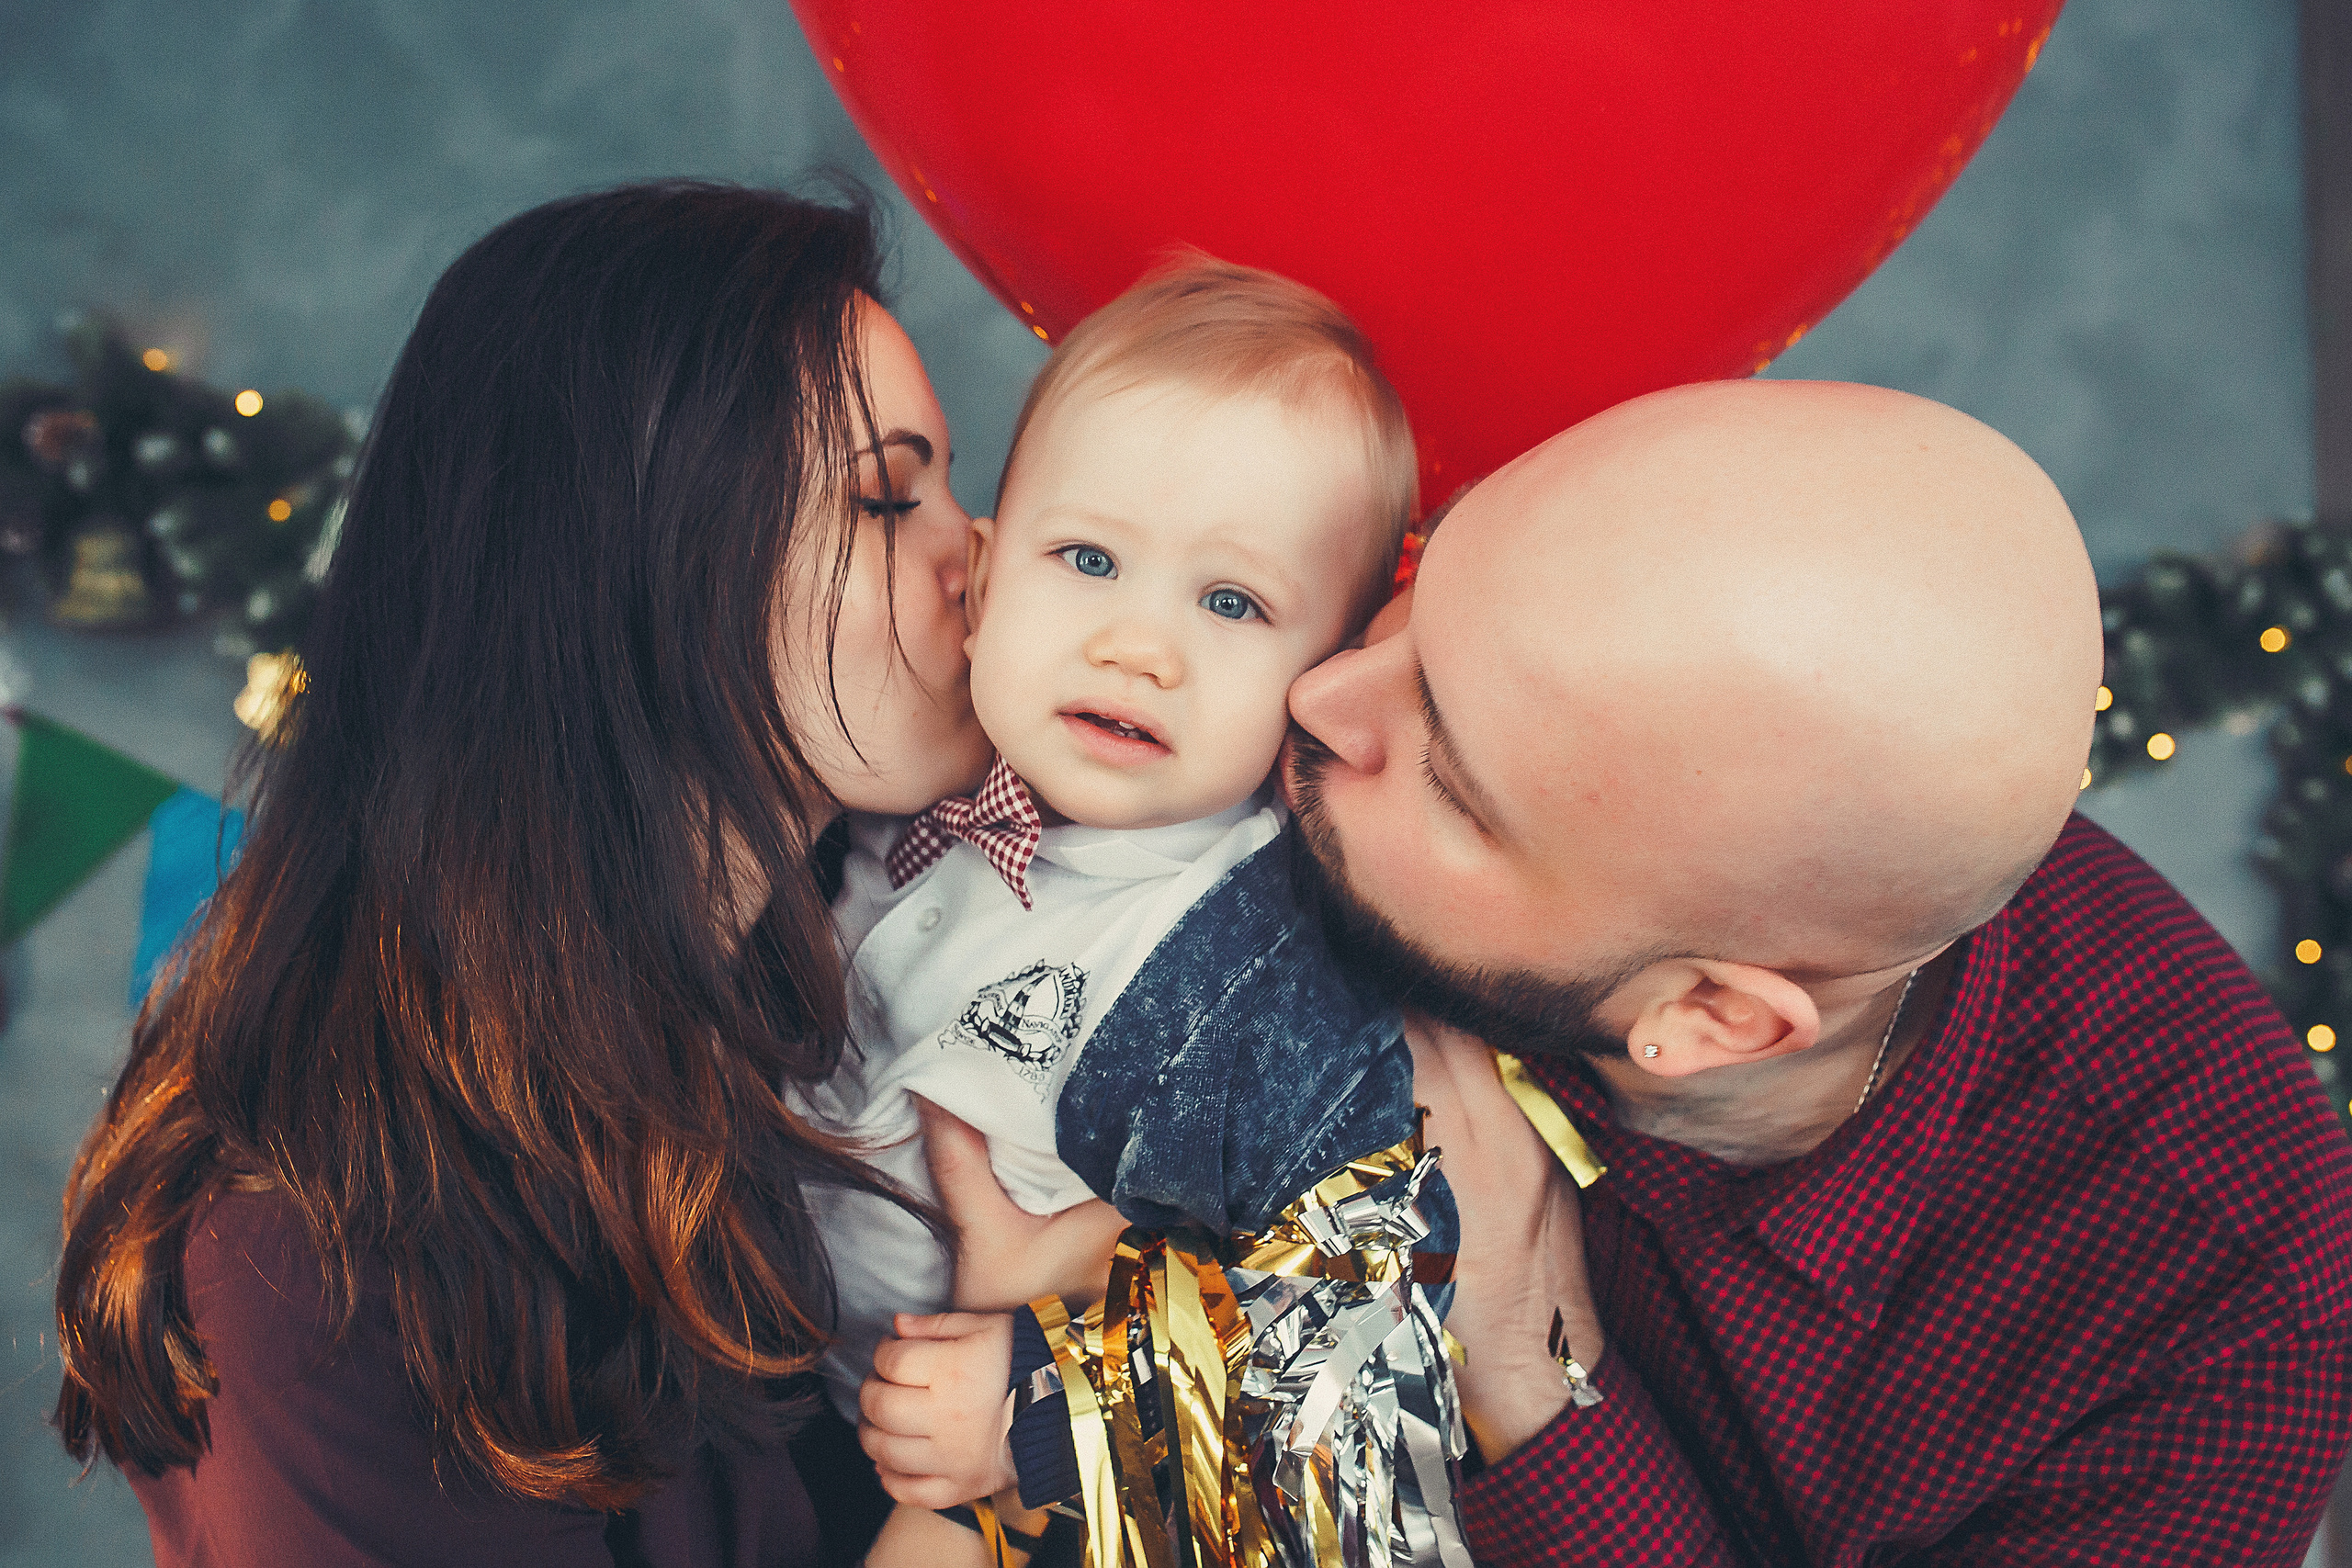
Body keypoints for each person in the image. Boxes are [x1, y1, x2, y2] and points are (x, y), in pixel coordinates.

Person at [51, 181, 995, 1567]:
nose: (977, 551)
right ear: (636, 564)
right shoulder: (310, 1260)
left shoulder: (855, 984)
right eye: (886, 497)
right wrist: (1008, 1456)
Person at [1281, 378, 2352, 1564]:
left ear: (1709, 1016)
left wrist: (1522, 1353)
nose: (1314, 694)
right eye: (1420, 585)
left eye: (1447, 782)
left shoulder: (2224, 1344)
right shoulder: (1637, 717)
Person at [808, 256, 1461, 1553]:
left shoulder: (1249, 978)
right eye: (1089, 557)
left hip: (1012, 1478)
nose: (1138, 647)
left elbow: (1367, 1335)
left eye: (1232, 602)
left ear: (1328, 673)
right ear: (983, 576)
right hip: (790, 1371)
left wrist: (1042, 1410)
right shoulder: (899, 770)